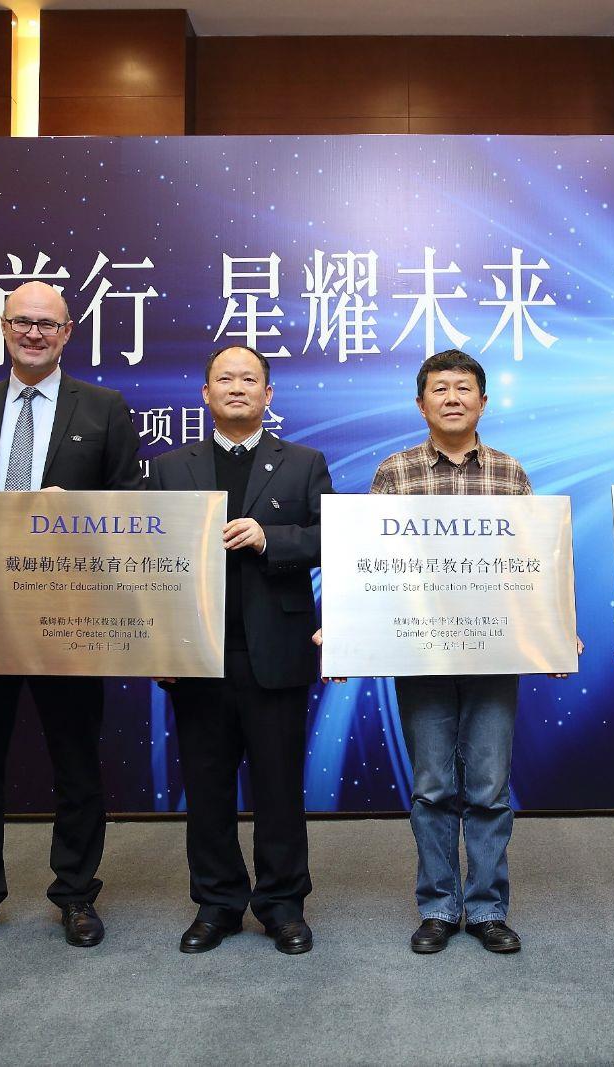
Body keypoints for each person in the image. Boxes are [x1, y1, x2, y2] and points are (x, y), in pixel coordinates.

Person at [0, 280, 143, 953]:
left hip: (69, 616)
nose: (33, 333)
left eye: (47, 323)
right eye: (22, 320)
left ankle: (75, 894)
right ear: (2, 327)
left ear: (68, 332)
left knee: (76, 765)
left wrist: (73, 509)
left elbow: (131, 504)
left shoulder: (104, 408)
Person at [150, 344, 330, 956]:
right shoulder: (169, 468)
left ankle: (282, 904)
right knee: (206, 786)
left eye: (248, 379)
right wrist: (159, 646)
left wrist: (268, 537)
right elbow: (149, 560)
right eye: (223, 379)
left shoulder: (304, 463)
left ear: (267, 394)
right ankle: (217, 903)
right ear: (205, 394)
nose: (236, 388)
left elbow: (330, 538)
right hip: (196, 652)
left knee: (279, 786)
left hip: (274, 650)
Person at [367, 349, 539, 955]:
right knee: (433, 785)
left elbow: (534, 563)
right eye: (440, 389)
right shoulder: (395, 472)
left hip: (494, 653)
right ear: (421, 404)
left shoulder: (510, 473)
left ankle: (488, 908)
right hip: (422, 654)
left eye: (464, 388)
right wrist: (350, 629)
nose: (452, 398)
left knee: (489, 787)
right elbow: (371, 564)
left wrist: (552, 626)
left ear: (483, 402)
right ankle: (439, 906)